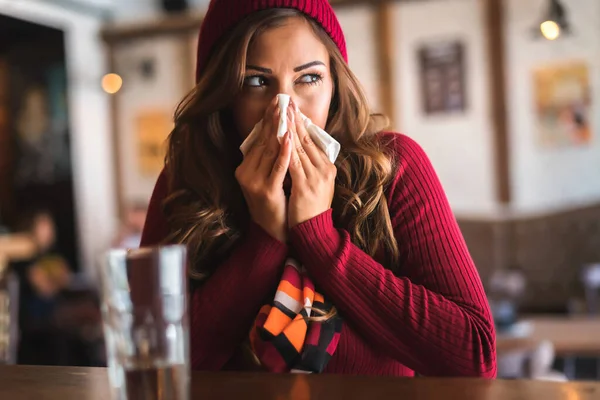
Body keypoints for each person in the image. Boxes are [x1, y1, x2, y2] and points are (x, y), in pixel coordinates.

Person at [141, 0, 496, 377]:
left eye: (308, 78)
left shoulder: (392, 168)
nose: (285, 109)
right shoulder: (185, 181)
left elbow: (474, 357)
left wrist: (321, 239)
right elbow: (151, 361)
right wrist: (264, 240)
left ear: (335, 84)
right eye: (256, 82)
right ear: (224, 95)